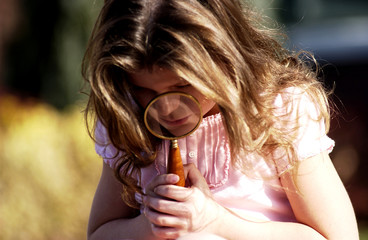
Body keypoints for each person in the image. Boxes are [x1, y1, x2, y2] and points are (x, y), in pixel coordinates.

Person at [82, 0, 359, 239]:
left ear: (225, 57)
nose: (166, 109)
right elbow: (99, 233)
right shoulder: (129, 119)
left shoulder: (276, 110)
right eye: (144, 90)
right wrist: (150, 224)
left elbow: (337, 236)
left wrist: (216, 222)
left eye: (183, 86)